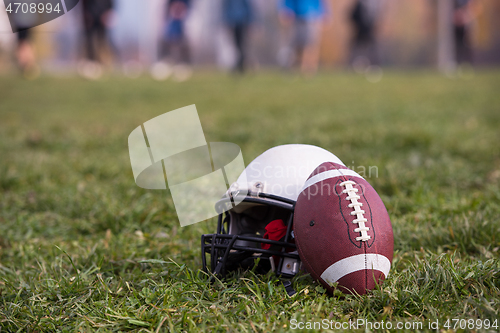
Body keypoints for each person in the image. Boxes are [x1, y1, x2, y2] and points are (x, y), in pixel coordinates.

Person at [277, 0, 327, 75]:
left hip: (312, 17)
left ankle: (308, 69)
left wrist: (325, 14)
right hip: (296, 18)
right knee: (293, 45)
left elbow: (322, 2)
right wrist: (286, 11)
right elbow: (288, 2)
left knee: (311, 45)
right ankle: (291, 67)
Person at [151, 0, 192, 81]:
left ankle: (182, 64)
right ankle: (164, 62)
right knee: (168, 36)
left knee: (181, 40)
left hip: (183, 17)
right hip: (171, 17)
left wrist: (182, 7)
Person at [79, 0, 114, 79]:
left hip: (102, 14)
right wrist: (85, 13)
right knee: (89, 41)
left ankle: (105, 64)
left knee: (102, 41)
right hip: (89, 15)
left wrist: (108, 11)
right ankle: (91, 64)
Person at [222, 0, 254, 73]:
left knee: (242, 45)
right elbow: (226, 9)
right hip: (234, 23)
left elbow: (248, 8)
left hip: (242, 22)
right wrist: (227, 22)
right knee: (236, 45)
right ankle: (239, 64)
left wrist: (250, 22)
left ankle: (242, 64)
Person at [349, 0, 381, 72]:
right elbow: (352, 16)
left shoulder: (374, 4)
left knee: (371, 50)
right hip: (360, 31)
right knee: (358, 50)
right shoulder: (359, 4)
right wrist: (358, 25)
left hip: (369, 31)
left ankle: (374, 67)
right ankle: (355, 66)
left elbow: (375, 18)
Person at [453, 0, 474, 65]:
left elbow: (474, 7)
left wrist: (466, 17)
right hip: (456, 25)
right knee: (456, 45)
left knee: (466, 44)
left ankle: (467, 62)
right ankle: (457, 62)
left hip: (465, 25)